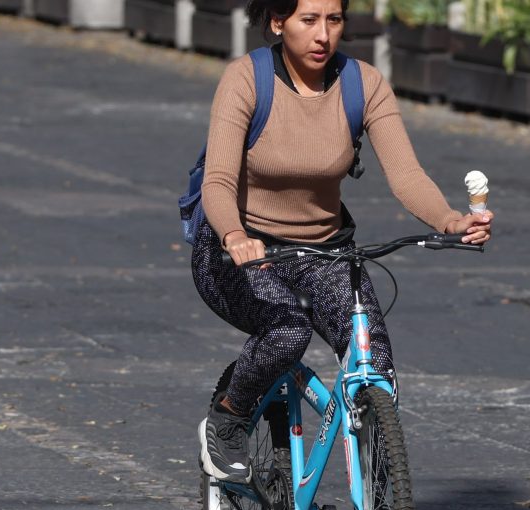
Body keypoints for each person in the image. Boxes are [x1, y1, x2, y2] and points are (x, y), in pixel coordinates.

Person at [194, 0, 492, 484]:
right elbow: (218, 181)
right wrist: (234, 236)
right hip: (240, 249)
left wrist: (450, 220)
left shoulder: (363, 84)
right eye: (308, 20)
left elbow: (407, 174)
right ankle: (229, 414)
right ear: (277, 22)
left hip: (323, 251)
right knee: (286, 333)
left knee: (375, 366)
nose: (323, 35)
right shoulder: (246, 79)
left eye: (334, 20)